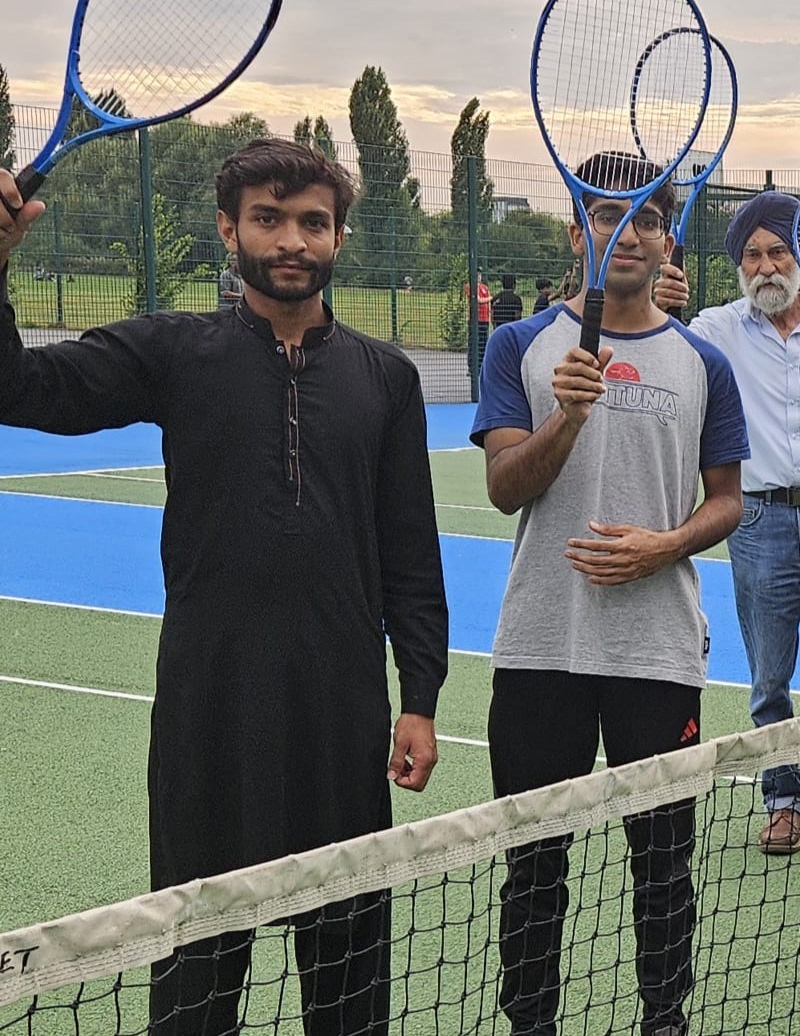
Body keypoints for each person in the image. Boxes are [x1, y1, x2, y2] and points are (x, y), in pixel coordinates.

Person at [0, 140, 449, 1036]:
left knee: (348, 979)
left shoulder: (388, 380)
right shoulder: (176, 350)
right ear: (227, 229)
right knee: (198, 972)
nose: (291, 239)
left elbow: (410, 552)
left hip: (340, 709)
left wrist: (421, 698)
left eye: (312, 221)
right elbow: (23, 388)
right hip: (207, 706)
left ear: (340, 236)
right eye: (268, 219)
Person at [472, 150, 748, 1036]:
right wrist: (568, 415)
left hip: (657, 653)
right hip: (541, 648)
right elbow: (507, 486)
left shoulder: (705, 363)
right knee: (534, 861)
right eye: (604, 215)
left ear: (667, 238)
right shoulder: (518, 345)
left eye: (646, 218)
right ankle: (531, 1023)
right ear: (577, 231)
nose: (625, 232)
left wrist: (666, 545)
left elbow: (729, 500)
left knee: (664, 860)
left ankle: (663, 1018)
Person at [651, 190, 800, 856]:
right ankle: (784, 800)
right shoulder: (712, 330)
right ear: (740, 266)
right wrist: (663, 306)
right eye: (753, 254)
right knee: (770, 677)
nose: (767, 265)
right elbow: (659, 346)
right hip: (758, 521)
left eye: (778, 251)